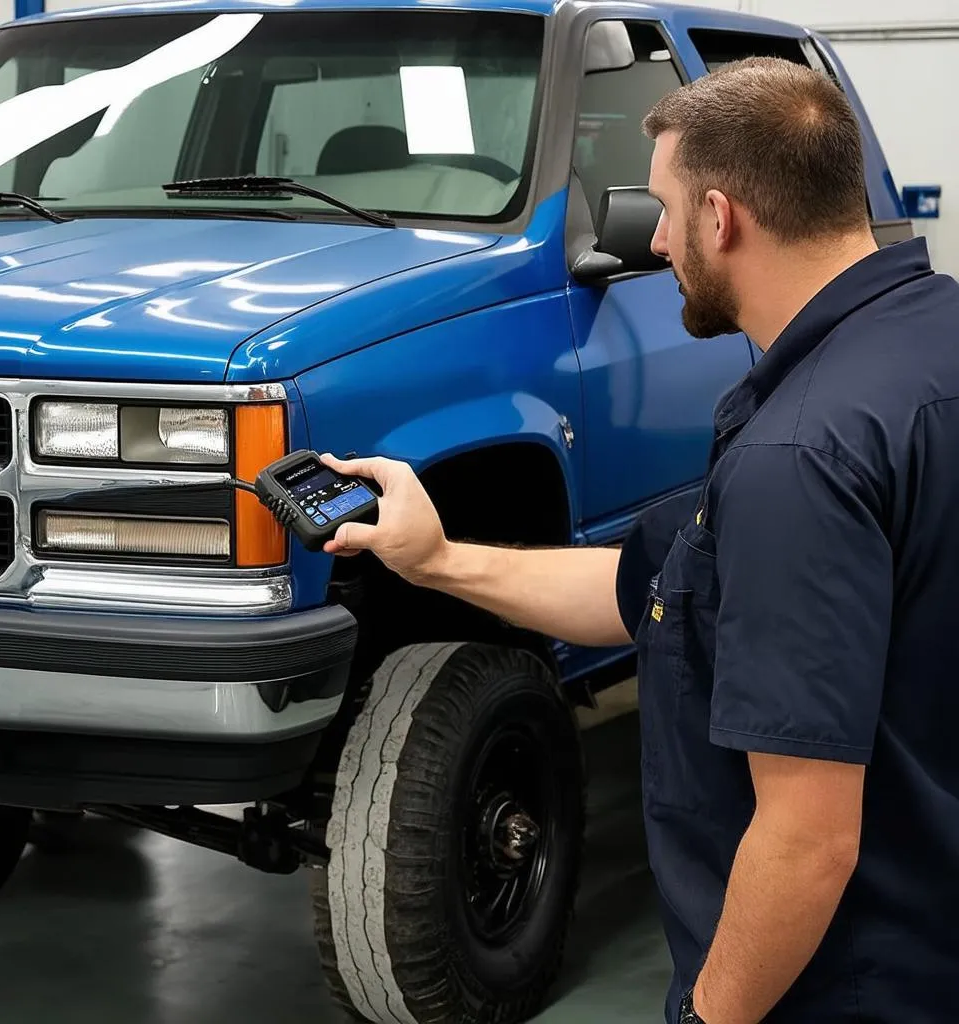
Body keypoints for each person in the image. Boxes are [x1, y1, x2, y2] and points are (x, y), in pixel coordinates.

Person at [318, 56, 959, 1024]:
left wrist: (715, 1013)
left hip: (850, 980)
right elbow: (655, 592)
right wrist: (439, 559)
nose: (653, 241)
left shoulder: (800, 452)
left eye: (660, 209)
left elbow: (806, 837)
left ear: (719, 215)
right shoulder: (927, 340)